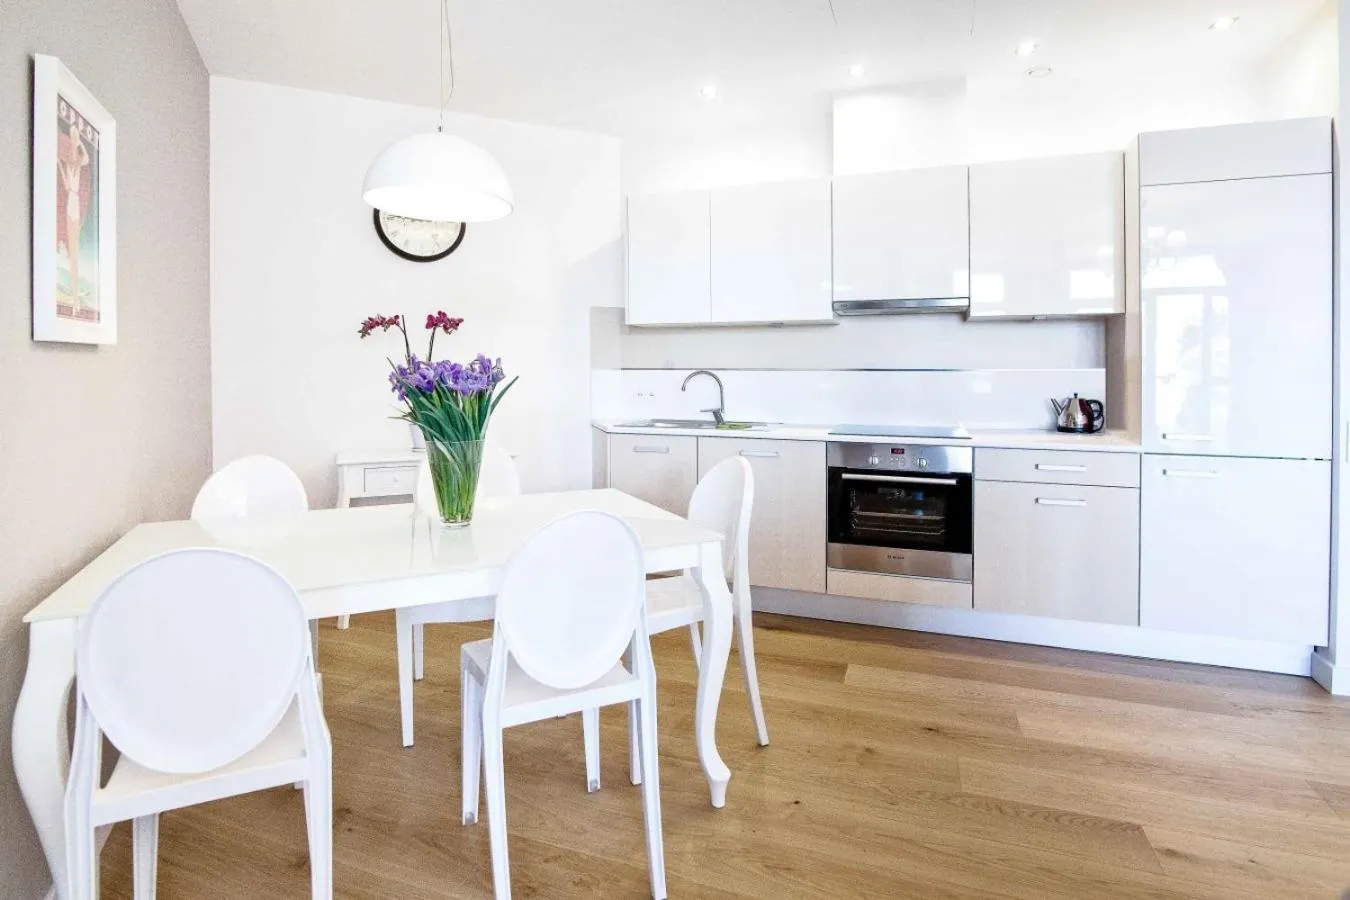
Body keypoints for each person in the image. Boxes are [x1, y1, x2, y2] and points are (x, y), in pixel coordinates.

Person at [57, 119, 90, 315]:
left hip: (74, 205)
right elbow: (68, 185)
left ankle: (76, 299)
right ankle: (75, 299)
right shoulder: (69, 166)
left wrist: (78, 142)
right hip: (72, 204)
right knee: (72, 252)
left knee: (73, 252)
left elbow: (85, 157)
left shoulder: (76, 163)